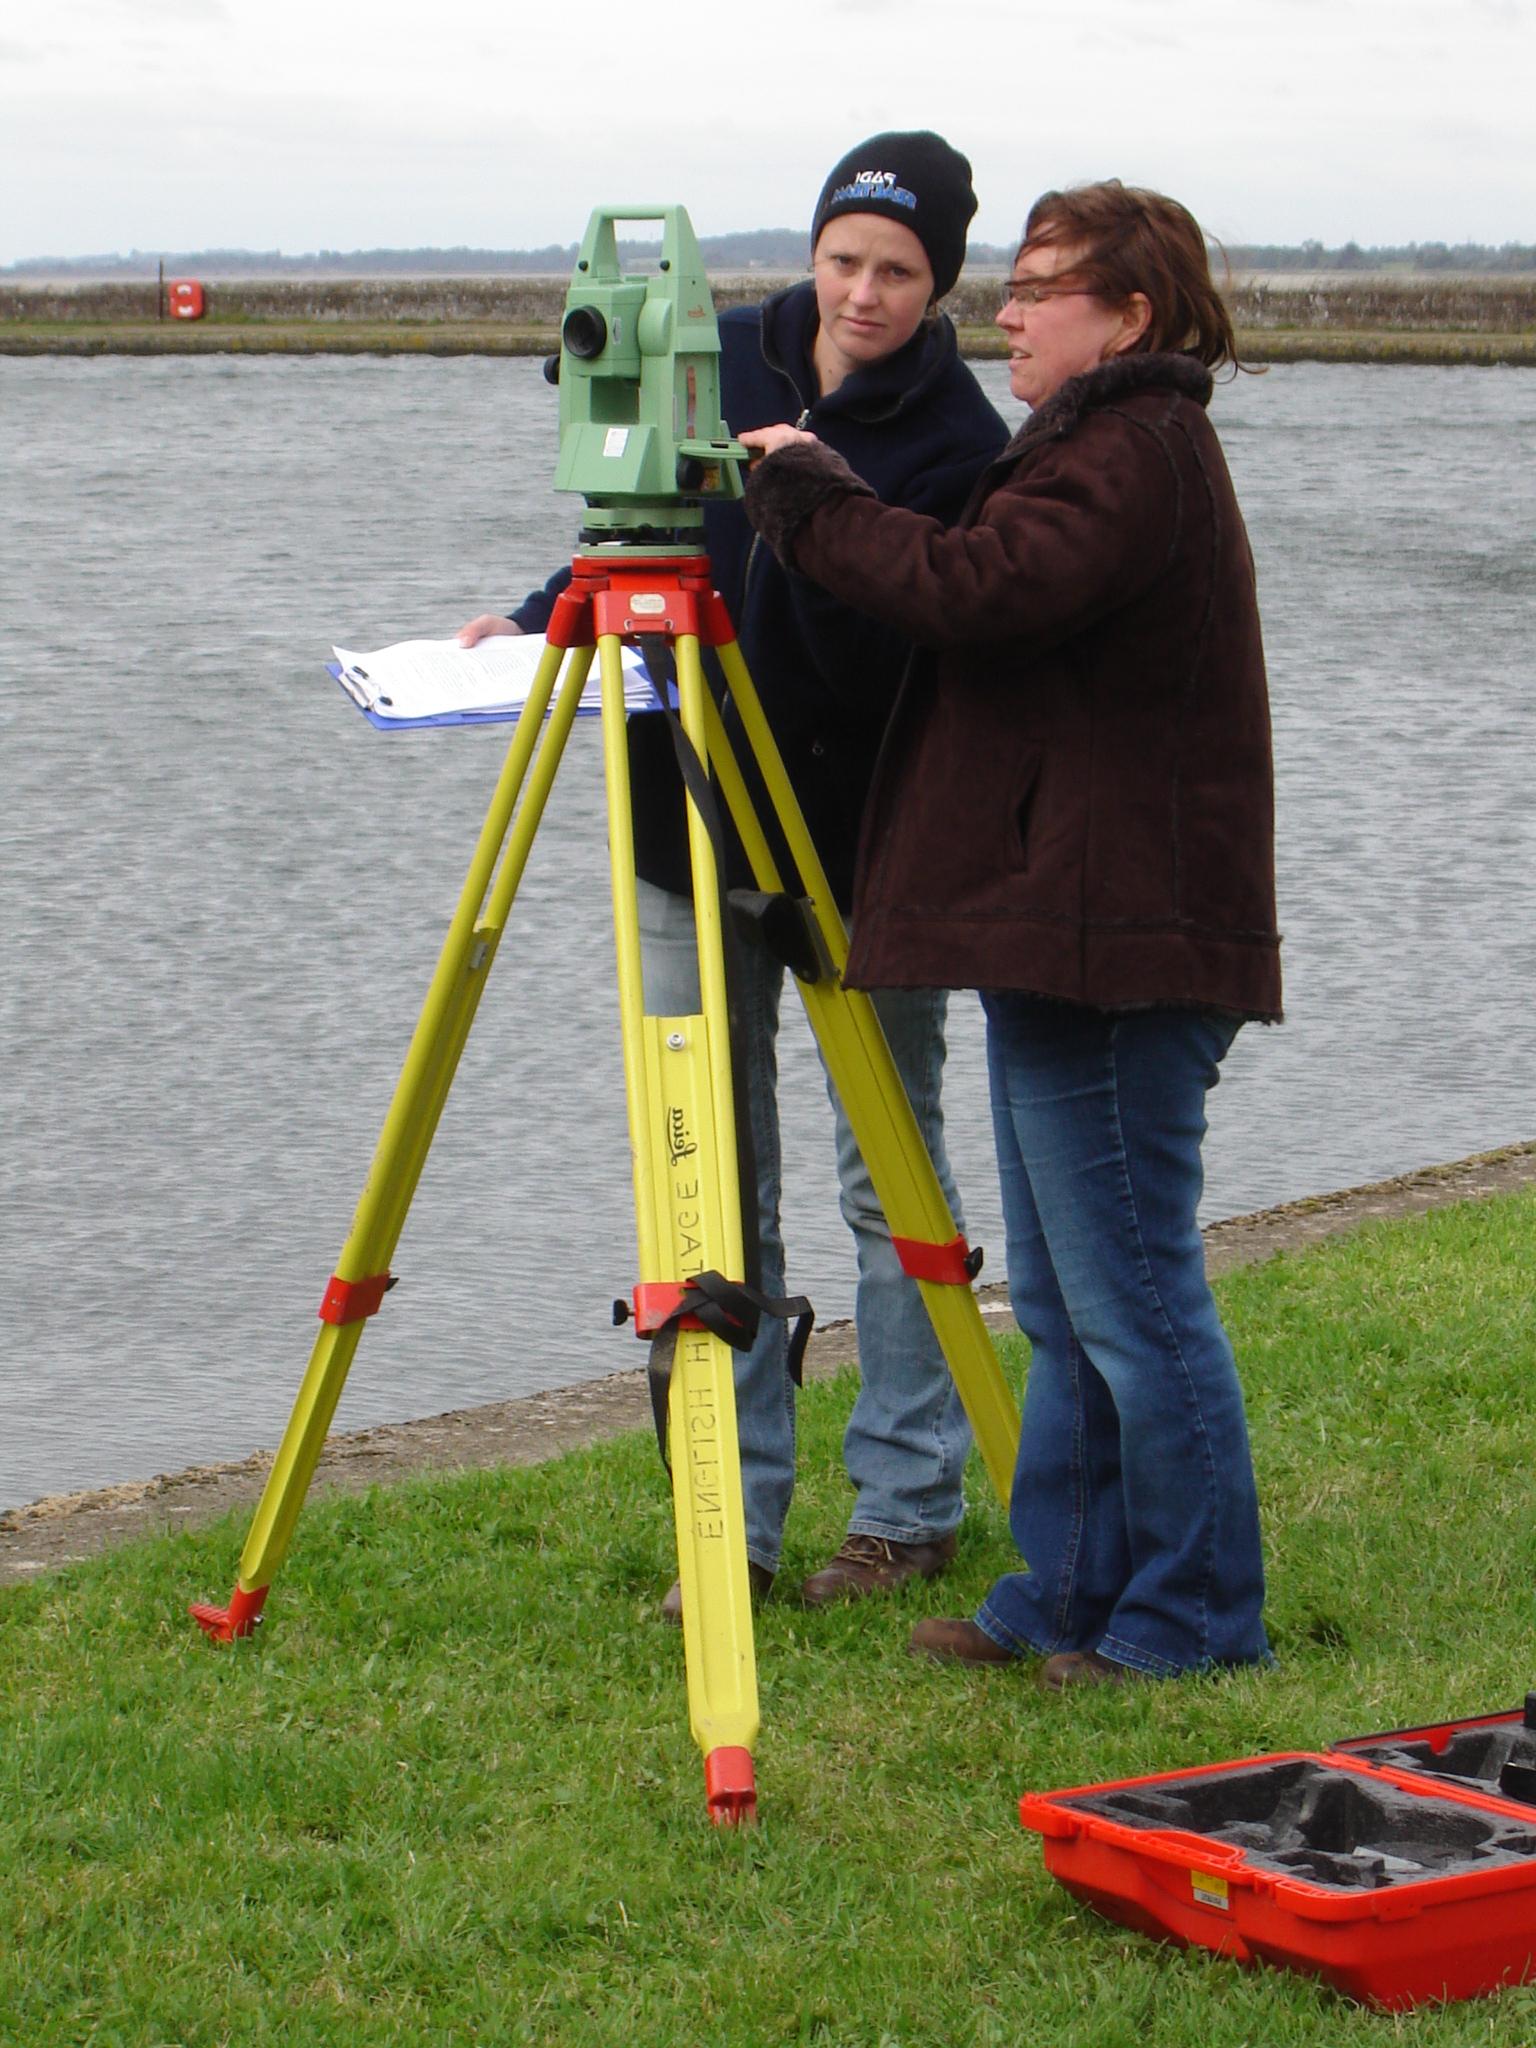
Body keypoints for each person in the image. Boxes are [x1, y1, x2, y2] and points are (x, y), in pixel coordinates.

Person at [740, 181, 1280, 1686]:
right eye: (1019, 282)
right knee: (1058, 1296)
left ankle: (1190, 1619)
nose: (1011, 312)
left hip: (1121, 944)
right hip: (1070, 934)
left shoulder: (1137, 449)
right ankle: (1067, 1592)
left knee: (1131, 1294)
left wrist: (811, 496)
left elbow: (976, 588)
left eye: (1046, 287)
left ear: (1137, 316)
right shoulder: (1099, 445)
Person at [458, 134, 1009, 1611]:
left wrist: (812, 509)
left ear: (942, 281)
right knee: (713, 1182)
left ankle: (906, 1504)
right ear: (811, 256)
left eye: (897, 272)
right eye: (843, 260)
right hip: (677, 831)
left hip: (851, 852)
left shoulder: (958, 441)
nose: (863, 293)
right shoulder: (721, 357)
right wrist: (532, 619)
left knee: (887, 1177)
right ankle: (737, 1523)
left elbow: (900, 652)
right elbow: (649, 526)